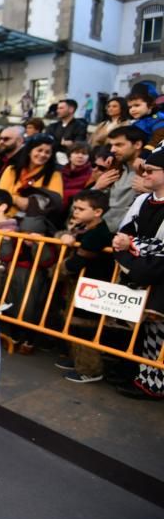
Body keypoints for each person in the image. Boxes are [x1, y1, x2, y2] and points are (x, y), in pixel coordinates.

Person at [111, 146, 164, 399]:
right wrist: (133, 248)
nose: (144, 174)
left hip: (156, 278)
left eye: (151, 170)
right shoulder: (142, 200)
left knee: (157, 335)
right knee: (138, 330)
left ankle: (153, 383)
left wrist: (132, 247)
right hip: (142, 277)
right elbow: (124, 236)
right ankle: (137, 375)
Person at [56, 189, 113, 384]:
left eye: (81, 208)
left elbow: (76, 263)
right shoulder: (85, 228)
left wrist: (59, 269)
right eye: (75, 207)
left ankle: (90, 369)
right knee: (75, 325)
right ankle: (78, 360)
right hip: (81, 285)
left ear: (97, 212)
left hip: (92, 286)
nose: (76, 211)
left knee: (85, 328)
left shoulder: (97, 234)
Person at [92, 126, 145, 231]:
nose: (113, 150)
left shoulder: (152, 172)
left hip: (127, 237)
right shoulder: (115, 168)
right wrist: (97, 187)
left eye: (119, 145)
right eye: (112, 145)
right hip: (103, 229)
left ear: (137, 145)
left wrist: (152, 191)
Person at [0, 134, 64, 216]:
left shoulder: (54, 175)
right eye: (39, 150)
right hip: (6, 217)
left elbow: (54, 203)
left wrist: (27, 203)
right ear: (29, 151)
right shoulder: (11, 170)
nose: (43, 154)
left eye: (47, 152)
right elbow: (0, 196)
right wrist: (18, 200)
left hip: (34, 221)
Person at [60, 142, 93, 209]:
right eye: (76, 153)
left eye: (84, 153)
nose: (80, 156)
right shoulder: (60, 171)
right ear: (69, 156)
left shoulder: (92, 174)